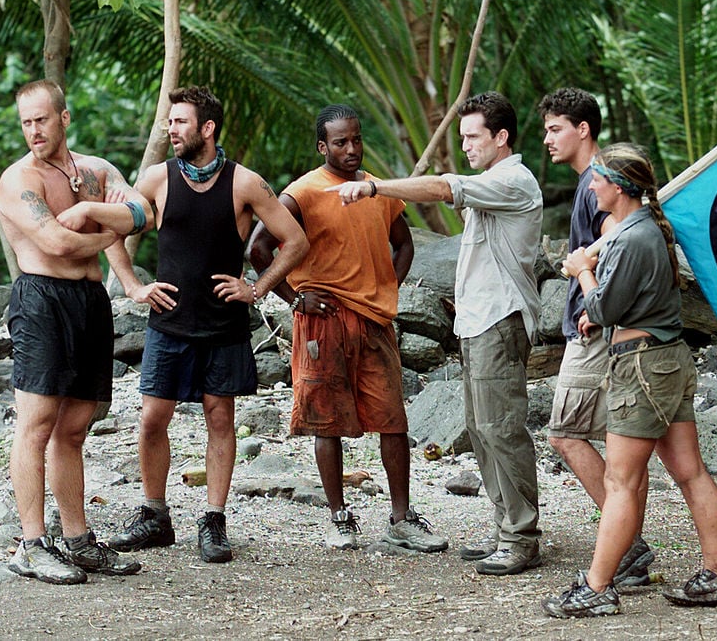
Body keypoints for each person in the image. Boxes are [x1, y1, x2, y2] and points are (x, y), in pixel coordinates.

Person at [332, 91, 543, 575]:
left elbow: (445, 188)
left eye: (473, 137)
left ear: (501, 138)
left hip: (500, 320)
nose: (465, 146)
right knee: (481, 429)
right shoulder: (494, 180)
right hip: (476, 321)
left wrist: (376, 188)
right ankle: (505, 528)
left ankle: (521, 536)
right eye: (462, 136)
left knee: (501, 429)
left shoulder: (513, 179)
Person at [107, 86, 309, 564]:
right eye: (170, 121)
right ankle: (155, 515)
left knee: (221, 417)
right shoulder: (157, 179)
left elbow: (295, 241)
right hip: (168, 324)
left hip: (223, 325)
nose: (170, 129)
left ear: (207, 128)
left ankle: (214, 520)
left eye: (179, 122)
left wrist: (256, 288)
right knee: (153, 418)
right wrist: (134, 287)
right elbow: (112, 230)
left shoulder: (245, 183)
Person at [543, 143, 717, 617]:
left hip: (642, 369)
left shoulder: (632, 238)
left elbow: (605, 306)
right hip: (665, 361)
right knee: (690, 472)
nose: (590, 186)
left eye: (597, 179)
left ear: (618, 186)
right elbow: (629, 303)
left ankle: (596, 588)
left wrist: (583, 272)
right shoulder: (643, 231)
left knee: (620, 482)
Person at [247, 103, 447, 554]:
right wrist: (295, 297)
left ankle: (402, 517)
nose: (352, 148)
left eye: (356, 139)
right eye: (341, 142)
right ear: (323, 146)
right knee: (326, 419)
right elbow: (259, 248)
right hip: (323, 321)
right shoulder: (303, 192)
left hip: (374, 320)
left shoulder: (378, 189)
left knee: (393, 418)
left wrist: (383, 286)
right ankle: (339, 518)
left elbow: (404, 243)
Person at [0, 79, 151, 584]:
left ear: (63, 118)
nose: (33, 131)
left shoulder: (96, 169)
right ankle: (31, 544)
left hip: (89, 302)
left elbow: (146, 211)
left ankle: (78, 539)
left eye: (41, 120)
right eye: (25, 122)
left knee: (74, 427)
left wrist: (91, 209)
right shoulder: (19, 179)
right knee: (36, 422)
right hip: (41, 299)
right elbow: (60, 243)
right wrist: (107, 225)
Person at [539, 88, 655, 586]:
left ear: (582, 129)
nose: (547, 139)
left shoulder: (597, 186)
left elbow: (614, 247)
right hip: (606, 327)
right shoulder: (595, 182)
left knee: (566, 434)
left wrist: (594, 307)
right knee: (620, 443)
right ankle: (628, 543)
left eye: (554, 128)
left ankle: (625, 544)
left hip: (596, 329)